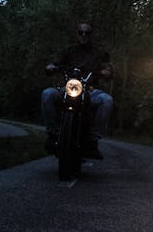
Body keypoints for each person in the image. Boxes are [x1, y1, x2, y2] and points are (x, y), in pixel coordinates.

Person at [42, 21, 114, 159]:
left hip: (90, 91)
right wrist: (50, 67)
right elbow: (55, 63)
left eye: (87, 32)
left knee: (107, 100)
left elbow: (108, 67)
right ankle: (52, 135)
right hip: (66, 89)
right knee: (47, 94)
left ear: (91, 35)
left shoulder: (98, 52)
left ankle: (93, 140)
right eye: (81, 32)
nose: (84, 35)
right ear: (77, 34)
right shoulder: (68, 51)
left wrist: (107, 71)